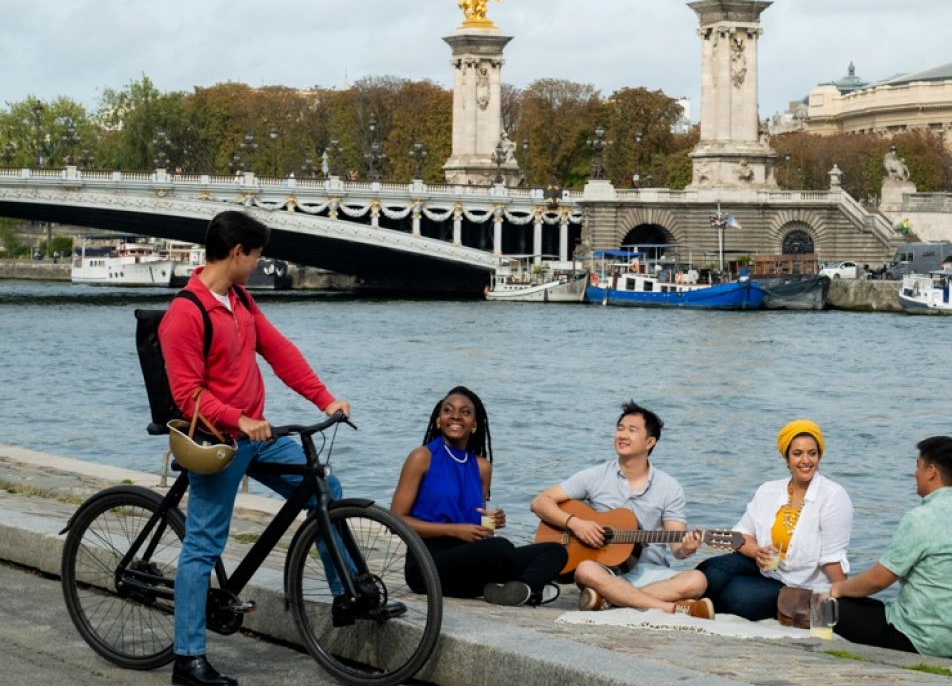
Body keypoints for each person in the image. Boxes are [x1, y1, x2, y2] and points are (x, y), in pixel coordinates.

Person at [159, 210, 356, 686]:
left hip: (259, 438)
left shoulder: (240, 300)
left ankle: (346, 595)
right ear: (236, 253)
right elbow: (188, 396)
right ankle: (187, 660)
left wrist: (325, 397)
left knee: (324, 487)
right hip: (222, 441)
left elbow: (280, 350)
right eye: (257, 254)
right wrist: (239, 419)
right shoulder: (184, 314)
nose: (260, 262)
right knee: (203, 544)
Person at [530, 401, 713, 619]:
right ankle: (669, 608)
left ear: (650, 442)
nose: (623, 435)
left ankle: (608, 599)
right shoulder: (595, 475)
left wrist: (687, 548)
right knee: (584, 570)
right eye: (620, 428)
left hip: (651, 572)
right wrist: (576, 524)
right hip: (604, 571)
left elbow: (677, 548)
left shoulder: (669, 487)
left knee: (697, 580)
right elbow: (540, 502)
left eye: (632, 430)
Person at [390, 386, 567, 606]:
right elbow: (396, 521)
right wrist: (453, 530)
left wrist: (492, 522)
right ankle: (528, 587)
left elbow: (483, 532)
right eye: (448, 410)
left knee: (555, 550)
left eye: (465, 412)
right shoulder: (422, 457)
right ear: (438, 420)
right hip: (427, 565)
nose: (455, 415)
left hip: (469, 563)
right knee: (501, 549)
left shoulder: (482, 467)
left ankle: (521, 589)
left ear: (474, 424)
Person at [830, 436, 952, 657]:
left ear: (932, 471)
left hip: (927, 641)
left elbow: (878, 580)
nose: (915, 473)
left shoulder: (920, 518)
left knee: (829, 606)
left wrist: (837, 589)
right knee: (879, 605)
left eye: (917, 465)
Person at [697, 419, 852, 620]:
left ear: (819, 456)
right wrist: (756, 552)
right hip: (766, 570)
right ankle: (679, 601)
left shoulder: (833, 496)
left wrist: (844, 602)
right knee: (712, 569)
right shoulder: (768, 490)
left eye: (812, 453)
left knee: (736, 595)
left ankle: (695, 606)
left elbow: (833, 561)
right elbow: (742, 534)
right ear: (786, 458)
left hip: (797, 585)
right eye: (797, 454)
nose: (806, 460)